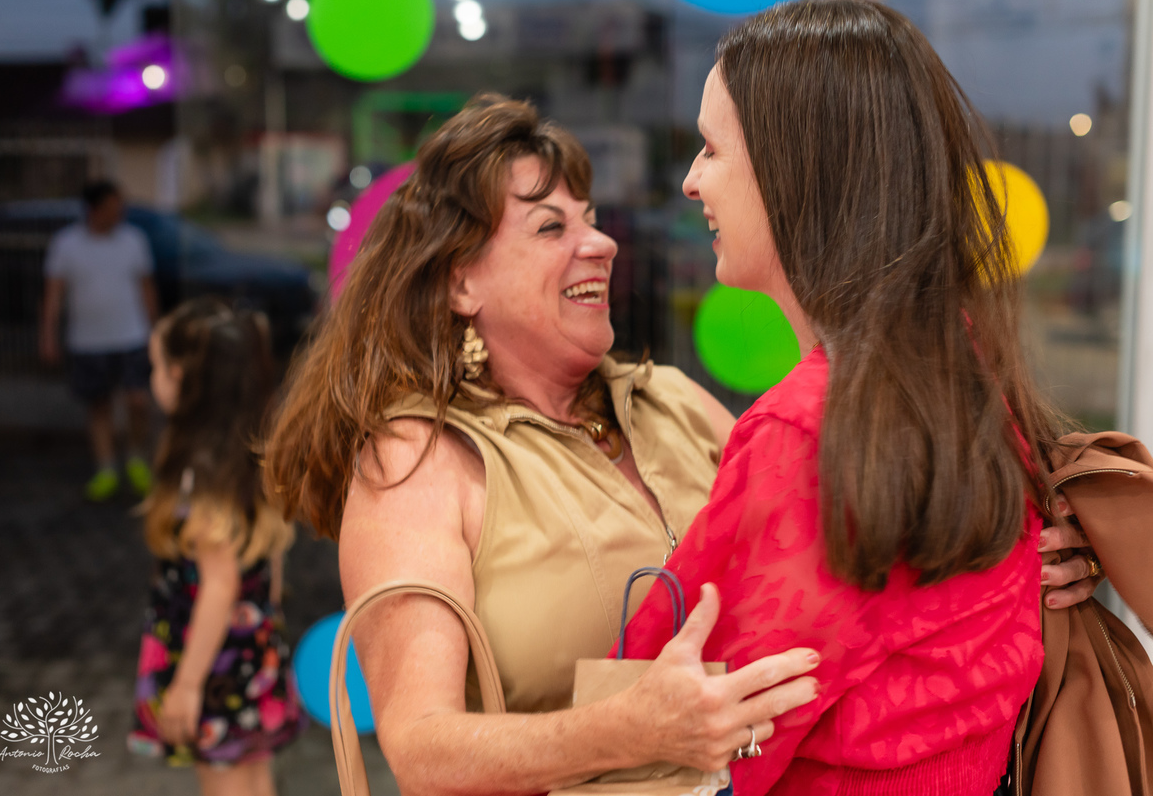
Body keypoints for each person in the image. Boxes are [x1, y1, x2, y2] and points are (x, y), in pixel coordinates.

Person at [262, 94, 1095, 795]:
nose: (601, 242)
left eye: (590, 219)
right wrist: (622, 729)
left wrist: (1013, 553)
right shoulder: (417, 460)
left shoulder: (672, 400)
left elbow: (836, 556)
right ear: (459, 280)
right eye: (551, 228)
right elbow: (421, 749)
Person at [619, 0, 1092, 795]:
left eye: (710, 148)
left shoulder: (805, 431)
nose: (693, 180)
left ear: (797, 168)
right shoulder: (970, 379)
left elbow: (678, 727)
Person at [128, 299, 305, 796]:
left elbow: (219, 583)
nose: (152, 378)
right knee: (252, 775)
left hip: (213, 664)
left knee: (224, 781)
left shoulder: (198, 477)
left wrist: (186, 686)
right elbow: (268, 565)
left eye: (156, 366)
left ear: (182, 378)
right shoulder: (247, 457)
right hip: (252, 648)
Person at [40, 180, 160, 501]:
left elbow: (146, 288)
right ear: (94, 209)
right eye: (112, 207)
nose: (118, 213)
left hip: (131, 336)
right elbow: (53, 295)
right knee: (99, 406)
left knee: (138, 401)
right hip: (88, 341)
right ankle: (106, 468)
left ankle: (136, 456)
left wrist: (156, 331)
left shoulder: (133, 240)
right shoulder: (66, 244)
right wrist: (48, 335)